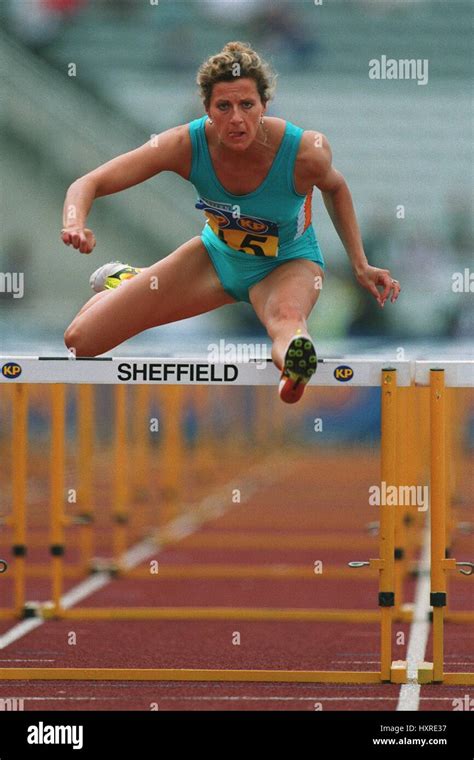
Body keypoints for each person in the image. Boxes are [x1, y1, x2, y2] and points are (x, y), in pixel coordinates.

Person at [61, 41, 400, 403]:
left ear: (264, 106)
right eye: (223, 106)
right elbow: (88, 182)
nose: (236, 118)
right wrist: (74, 222)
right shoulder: (184, 145)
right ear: (207, 109)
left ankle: (297, 365)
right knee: (80, 342)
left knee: (287, 319)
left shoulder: (306, 151)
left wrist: (360, 264)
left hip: (288, 263)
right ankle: (133, 279)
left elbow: (336, 188)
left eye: (246, 105)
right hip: (216, 259)